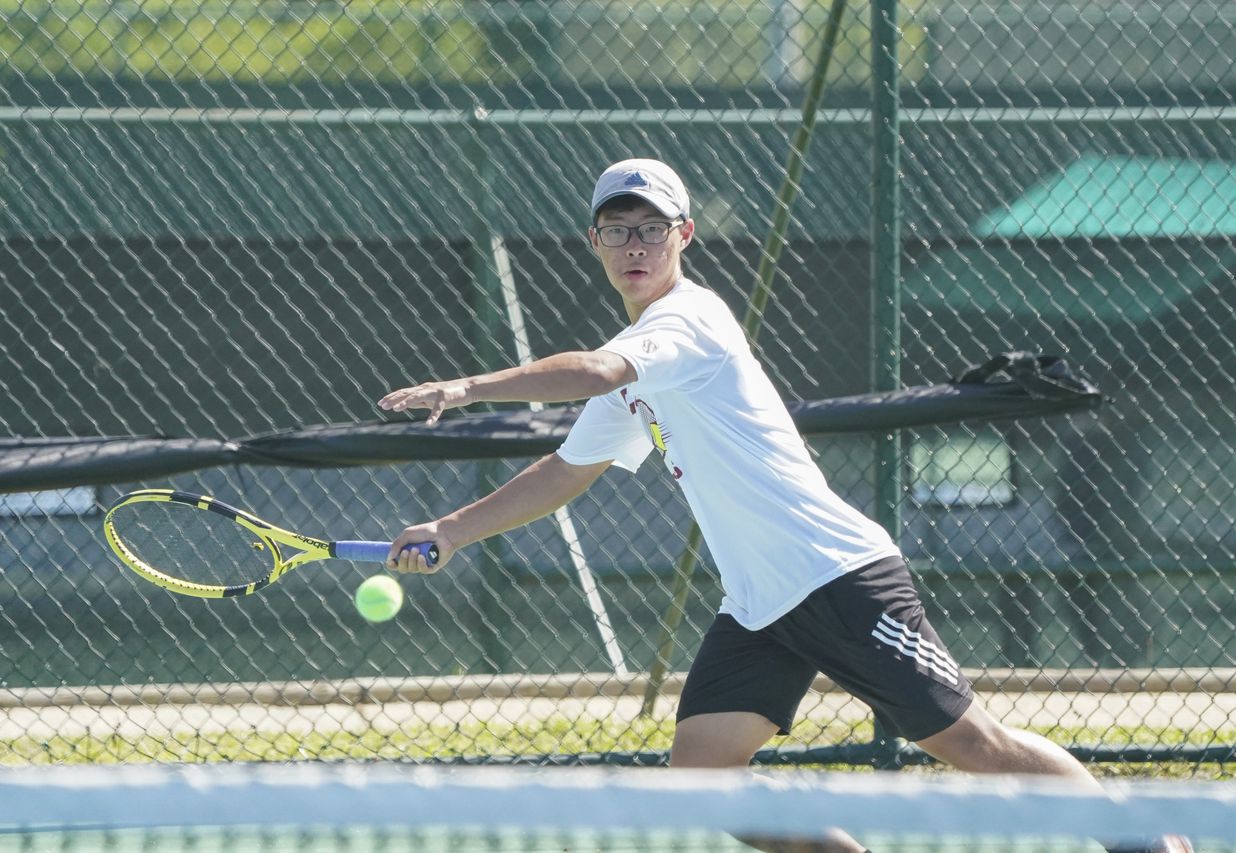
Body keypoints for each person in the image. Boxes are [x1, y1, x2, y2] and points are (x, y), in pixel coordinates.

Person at [376, 158, 1190, 853]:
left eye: (651, 228)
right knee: (697, 782)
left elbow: (594, 371)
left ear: (682, 237)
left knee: (972, 742)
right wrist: (452, 528)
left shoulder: (684, 322)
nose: (635, 244)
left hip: (839, 575)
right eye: (617, 229)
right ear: (594, 243)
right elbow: (566, 470)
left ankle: (1142, 839)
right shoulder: (639, 366)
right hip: (761, 605)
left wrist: (467, 386)